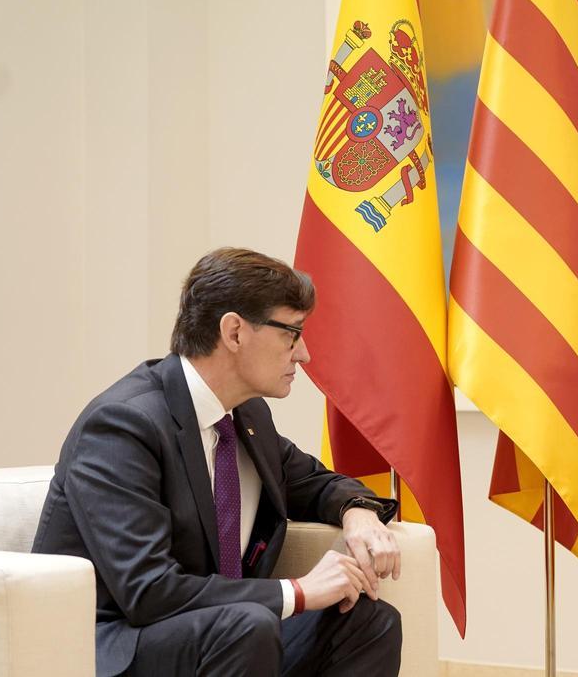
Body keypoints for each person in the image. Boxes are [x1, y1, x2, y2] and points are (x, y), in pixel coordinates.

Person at [33, 248, 403, 677]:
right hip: (122, 644)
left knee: (370, 621)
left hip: (228, 635)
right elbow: (148, 590)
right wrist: (297, 592)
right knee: (248, 624)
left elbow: (314, 482)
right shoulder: (123, 425)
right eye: (292, 333)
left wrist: (357, 512)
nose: (304, 355)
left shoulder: (245, 418)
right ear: (234, 332)